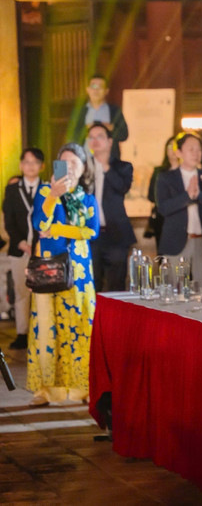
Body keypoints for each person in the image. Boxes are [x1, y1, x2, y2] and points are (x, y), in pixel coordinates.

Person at [28, 143, 100, 406]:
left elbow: (92, 231)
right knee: (47, 328)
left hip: (80, 271)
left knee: (82, 327)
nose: (69, 168)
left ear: (82, 169)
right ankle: (46, 391)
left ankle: (84, 388)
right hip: (50, 267)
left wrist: (59, 228)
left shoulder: (87, 198)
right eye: (64, 162)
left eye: (74, 164)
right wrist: (51, 199)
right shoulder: (46, 192)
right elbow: (39, 224)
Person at [155, 133, 202, 287]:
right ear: (178, 152)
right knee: (175, 289)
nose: (196, 153)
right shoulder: (166, 178)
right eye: (190, 149)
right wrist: (187, 197)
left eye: (198, 149)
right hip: (175, 242)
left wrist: (200, 196)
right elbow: (163, 208)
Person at [3, 148, 44, 350]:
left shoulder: (47, 189)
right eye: (26, 162)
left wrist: (37, 245)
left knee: (42, 291)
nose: (30, 166)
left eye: (35, 162)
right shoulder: (12, 190)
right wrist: (21, 242)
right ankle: (22, 332)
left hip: (43, 250)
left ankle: (41, 332)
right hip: (19, 249)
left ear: (41, 166)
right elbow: (9, 220)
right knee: (21, 292)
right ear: (21, 165)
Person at [87, 122, 136, 292]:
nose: (95, 141)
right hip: (90, 235)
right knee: (92, 285)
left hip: (116, 235)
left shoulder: (123, 167)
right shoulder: (83, 168)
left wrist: (104, 166)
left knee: (117, 285)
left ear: (109, 141)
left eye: (99, 136)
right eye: (91, 137)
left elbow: (122, 187)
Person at [71, 74, 129, 160]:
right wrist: (86, 130)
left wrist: (112, 129)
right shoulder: (80, 112)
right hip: (87, 162)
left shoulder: (114, 111)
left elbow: (124, 135)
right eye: (93, 86)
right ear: (88, 90)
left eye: (100, 87)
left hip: (109, 162)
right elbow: (72, 137)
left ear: (106, 91)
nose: (96, 90)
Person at [146, 136, 179, 247]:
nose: (173, 150)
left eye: (176, 146)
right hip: (162, 218)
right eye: (170, 146)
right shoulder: (159, 172)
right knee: (163, 254)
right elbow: (150, 196)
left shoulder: (188, 172)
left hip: (182, 219)